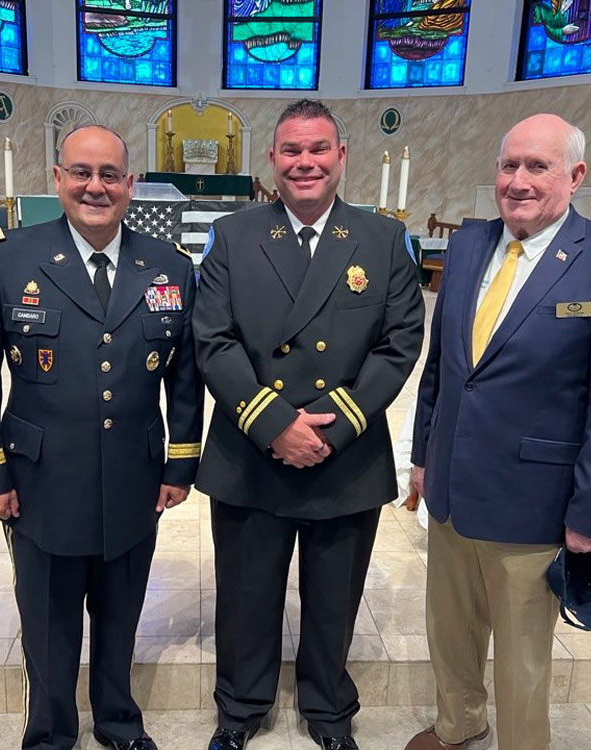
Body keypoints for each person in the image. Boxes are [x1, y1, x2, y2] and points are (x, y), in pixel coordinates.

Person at [0, 124, 203, 750]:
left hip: (134, 477)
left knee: (120, 616)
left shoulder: (168, 266)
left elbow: (188, 375)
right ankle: (51, 733)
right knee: (50, 621)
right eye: (82, 173)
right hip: (40, 481)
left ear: (130, 184)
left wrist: (180, 464)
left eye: (110, 174)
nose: (96, 187)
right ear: (58, 179)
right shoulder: (8, 259)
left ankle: (118, 721)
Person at [406, 113, 591, 750]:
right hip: (453, 490)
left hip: (534, 501)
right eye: (508, 165)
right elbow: (443, 365)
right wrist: (423, 457)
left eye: (536, 166)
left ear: (574, 176)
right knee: (450, 631)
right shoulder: (467, 244)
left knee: (521, 656)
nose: (517, 180)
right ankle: (459, 726)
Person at [193, 99, 424, 750]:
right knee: (245, 598)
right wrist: (273, 423)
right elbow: (212, 339)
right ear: (272, 159)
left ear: (341, 157)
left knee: (332, 601)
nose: (305, 163)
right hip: (251, 449)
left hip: (342, 455)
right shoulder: (233, 236)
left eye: (318, 149)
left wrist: (330, 428)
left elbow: (401, 341)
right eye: (291, 150)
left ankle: (327, 712)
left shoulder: (382, 240)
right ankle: (240, 710)